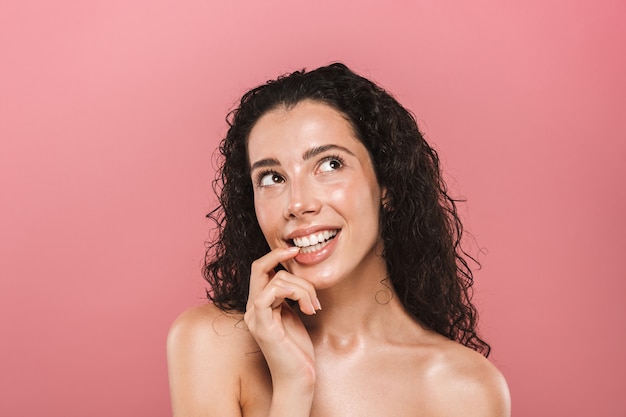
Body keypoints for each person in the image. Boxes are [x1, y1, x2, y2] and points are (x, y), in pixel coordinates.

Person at [167, 63, 510, 417]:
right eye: (271, 178)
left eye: (330, 165)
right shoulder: (211, 343)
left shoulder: (464, 390)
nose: (298, 204)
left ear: (386, 184)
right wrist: (293, 387)